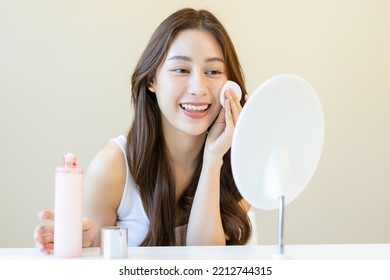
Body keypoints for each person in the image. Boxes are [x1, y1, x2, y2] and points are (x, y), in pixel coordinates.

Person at [34, 7, 251, 252]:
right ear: (152, 80)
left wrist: (214, 158)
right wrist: (69, 243)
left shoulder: (242, 168)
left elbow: (206, 265)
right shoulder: (112, 168)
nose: (198, 88)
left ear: (230, 85)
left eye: (213, 72)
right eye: (181, 70)